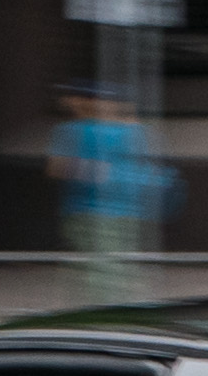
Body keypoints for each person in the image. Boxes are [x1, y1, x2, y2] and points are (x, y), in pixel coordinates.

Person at [47, 82, 167, 306]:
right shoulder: (137, 131)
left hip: (91, 211)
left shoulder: (72, 130)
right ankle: (101, 309)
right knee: (110, 265)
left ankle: (100, 311)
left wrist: (94, 171)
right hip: (120, 210)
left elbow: (57, 167)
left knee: (102, 267)